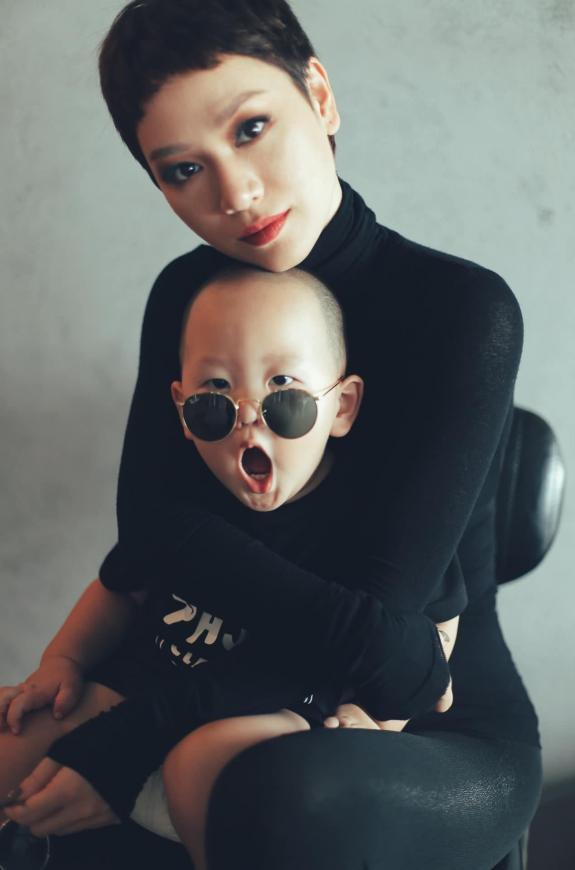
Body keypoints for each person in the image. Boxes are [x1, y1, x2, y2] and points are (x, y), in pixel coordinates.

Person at [0, 1, 542, 867]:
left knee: (272, 790)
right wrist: (122, 698)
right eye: (184, 170)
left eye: (252, 128)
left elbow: (388, 651)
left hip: (425, 716)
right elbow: (152, 540)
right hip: (195, 665)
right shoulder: (184, 297)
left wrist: (128, 736)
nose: (236, 194)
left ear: (319, 96)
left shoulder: (461, 312)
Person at [1, 264, 459, 870]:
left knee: (206, 763)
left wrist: (382, 720)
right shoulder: (179, 504)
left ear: (342, 407)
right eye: (215, 394)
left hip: (268, 718)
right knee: (14, 732)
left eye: (284, 391)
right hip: (134, 693)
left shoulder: (375, 524)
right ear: (181, 408)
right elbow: (119, 590)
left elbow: (430, 629)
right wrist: (62, 661)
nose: (247, 415)